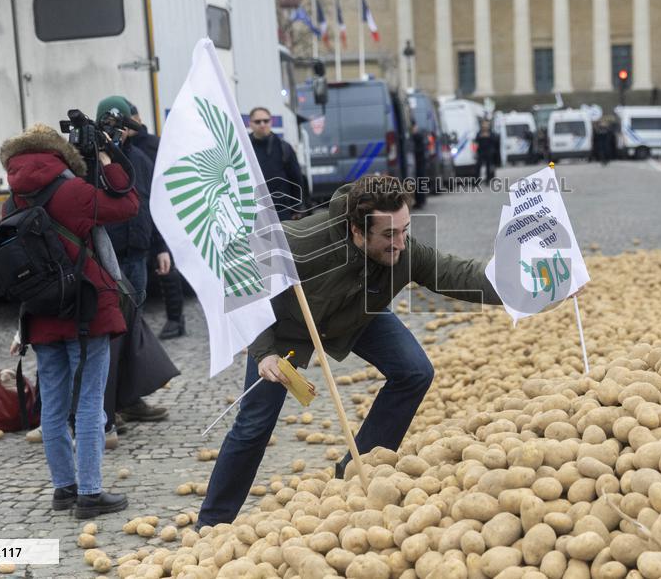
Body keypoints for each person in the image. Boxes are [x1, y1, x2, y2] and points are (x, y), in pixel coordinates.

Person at [197, 175, 507, 527]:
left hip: (356, 316)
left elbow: (461, 275)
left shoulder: (404, 250)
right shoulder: (298, 242)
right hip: (288, 328)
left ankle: (358, 471)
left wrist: (531, 285)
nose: (401, 243)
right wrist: (264, 351)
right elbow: (243, 284)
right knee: (254, 424)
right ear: (358, 231)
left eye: (405, 230)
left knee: (414, 370)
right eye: (389, 235)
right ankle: (211, 523)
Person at [1, 123, 137, 518]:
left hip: (41, 315)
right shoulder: (73, 191)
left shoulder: (11, 201)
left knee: (54, 408)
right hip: (86, 312)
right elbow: (127, 205)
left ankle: (64, 489)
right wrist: (109, 159)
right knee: (91, 403)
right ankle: (90, 494)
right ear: (58, 154)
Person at [96, 97, 170, 443]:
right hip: (106, 258)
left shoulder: (138, 158)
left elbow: (150, 206)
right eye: (117, 126)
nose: (122, 133)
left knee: (133, 329)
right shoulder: (89, 162)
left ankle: (130, 398)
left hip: (137, 256)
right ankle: (109, 408)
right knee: (110, 335)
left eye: (126, 127)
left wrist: (159, 247)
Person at [123, 101, 186, 340]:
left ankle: (175, 318)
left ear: (138, 119)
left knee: (166, 268)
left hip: (160, 212)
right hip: (135, 217)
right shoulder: (115, 148)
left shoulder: (153, 145)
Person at [247, 106, 306, 220]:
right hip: (253, 210)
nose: (262, 124)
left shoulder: (284, 147)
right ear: (250, 123)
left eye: (266, 120)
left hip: (282, 209)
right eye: (258, 121)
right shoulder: (243, 148)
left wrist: (297, 207)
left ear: (271, 121)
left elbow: (296, 178)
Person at [410, 119, 428, 208]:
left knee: (420, 182)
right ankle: (421, 201)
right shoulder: (418, 135)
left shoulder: (417, 136)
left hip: (420, 162)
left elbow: (419, 150)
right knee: (420, 182)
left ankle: (420, 201)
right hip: (420, 162)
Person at [475, 118, 499, 184]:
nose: (485, 126)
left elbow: (495, 141)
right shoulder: (479, 132)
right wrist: (481, 136)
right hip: (481, 152)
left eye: (486, 125)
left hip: (489, 152)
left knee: (488, 166)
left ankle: (488, 180)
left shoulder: (491, 133)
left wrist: (488, 136)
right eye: (484, 125)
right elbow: (476, 140)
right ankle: (477, 180)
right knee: (478, 166)